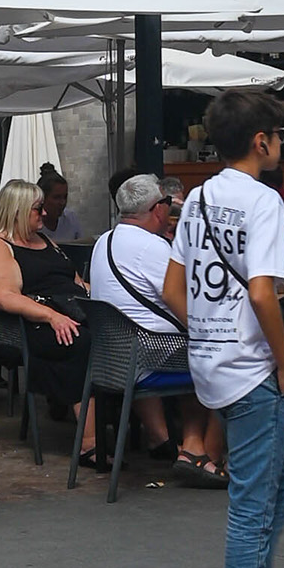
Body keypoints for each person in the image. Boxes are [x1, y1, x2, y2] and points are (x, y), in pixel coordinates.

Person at [164, 93, 284, 568]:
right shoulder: (264, 201)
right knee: (253, 508)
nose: (283, 142)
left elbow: (176, 288)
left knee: (279, 488)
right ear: (260, 141)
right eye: (279, 132)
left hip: (212, 365)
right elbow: (261, 293)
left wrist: (207, 332)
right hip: (253, 371)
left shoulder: (196, 196)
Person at [85, 169, 212, 473]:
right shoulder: (151, 247)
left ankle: (162, 439)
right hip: (147, 355)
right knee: (210, 357)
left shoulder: (104, 241)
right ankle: (196, 448)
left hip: (110, 358)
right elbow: (185, 299)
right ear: (158, 209)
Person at [0, 177, 87, 418]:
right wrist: (51, 316)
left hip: (73, 309)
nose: (44, 213)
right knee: (81, 341)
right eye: (38, 208)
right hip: (31, 324)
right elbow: (1, 297)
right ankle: (89, 442)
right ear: (18, 211)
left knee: (118, 337)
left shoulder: (45, 240)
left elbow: (75, 281)